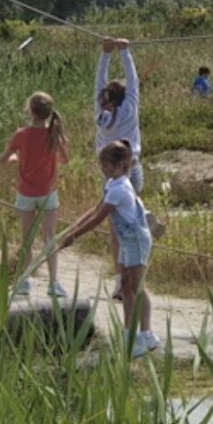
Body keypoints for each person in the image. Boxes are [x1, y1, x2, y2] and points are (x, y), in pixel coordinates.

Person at [60, 139, 160, 358]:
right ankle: (130, 335)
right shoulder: (112, 185)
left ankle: (143, 335)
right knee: (126, 287)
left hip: (135, 239)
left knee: (135, 287)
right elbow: (94, 209)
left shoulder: (120, 188)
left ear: (121, 165)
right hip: (126, 240)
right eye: (102, 165)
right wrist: (72, 228)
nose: (103, 170)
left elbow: (99, 218)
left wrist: (74, 237)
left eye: (106, 166)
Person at [0, 91, 69, 297]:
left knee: (27, 239)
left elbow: (5, 158)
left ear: (30, 111)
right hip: (48, 193)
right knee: (50, 239)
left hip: (26, 192)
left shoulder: (21, 135)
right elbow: (65, 160)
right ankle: (54, 282)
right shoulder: (54, 134)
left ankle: (26, 280)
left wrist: (15, 159)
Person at [95, 36, 142, 298]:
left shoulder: (99, 111)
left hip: (110, 175)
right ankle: (132, 279)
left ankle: (120, 280)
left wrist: (105, 54)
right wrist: (125, 52)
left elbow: (98, 84)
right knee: (133, 226)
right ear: (126, 97)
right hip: (132, 167)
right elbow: (133, 82)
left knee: (117, 230)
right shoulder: (130, 109)